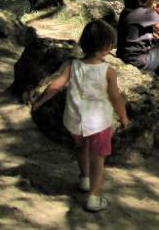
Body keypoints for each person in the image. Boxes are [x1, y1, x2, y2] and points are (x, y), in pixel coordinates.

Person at [32, 19, 129, 213]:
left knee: (81, 148)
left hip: (75, 120)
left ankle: (84, 179)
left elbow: (55, 85)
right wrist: (124, 117)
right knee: (98, 158)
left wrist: (40, 102)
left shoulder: (72, 65)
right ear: (108, 47)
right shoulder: (108, 71)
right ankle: (93, 196)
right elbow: (115, 97)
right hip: (99, 123)